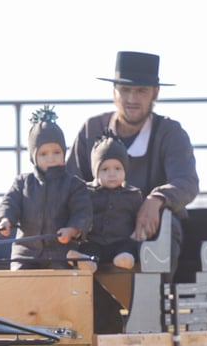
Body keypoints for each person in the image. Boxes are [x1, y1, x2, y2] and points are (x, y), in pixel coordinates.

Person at [66, 51, 198, 276]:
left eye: (141, 91)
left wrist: (156, 199)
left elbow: (187, 182)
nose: (132, 99)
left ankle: (154, 294)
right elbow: (70, 183)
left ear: (155, 92)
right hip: (96, 231)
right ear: (114, 91)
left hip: (147, 231)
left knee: (167, 224)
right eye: (125, 90)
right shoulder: (92, 129)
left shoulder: (170, 132)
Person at [0, 105, 92, 270]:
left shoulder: (74, 185)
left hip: (61, 252)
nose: (51, 158)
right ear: (34, 157)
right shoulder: (22, 183)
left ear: (64, 153)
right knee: (19, 278)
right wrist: (4, 220)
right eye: (43, 154)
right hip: (25, 253)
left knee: (64, 277)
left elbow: (82, 212)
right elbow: (9, 203)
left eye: (56, 152)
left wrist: (72, 230)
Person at [77, 133, 143, 271]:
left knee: (129, 246)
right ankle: (87, 262)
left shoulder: (133, 195)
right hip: (95, 241)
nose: (112, 174)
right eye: (105, 169)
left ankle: (124, 259)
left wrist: (138, 233)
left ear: (125, 170)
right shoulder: (87, 193)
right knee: (88, 248)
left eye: (117, 168)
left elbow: (139, 220)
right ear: (96, 172)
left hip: (120, 241)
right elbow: (80, 214)